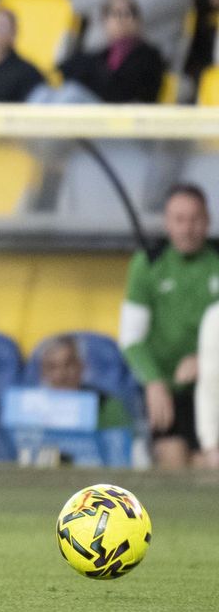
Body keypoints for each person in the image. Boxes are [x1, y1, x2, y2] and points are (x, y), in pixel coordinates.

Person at [121, 184, 219, 468]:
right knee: (173, 460)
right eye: (179, 219)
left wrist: (206, 361)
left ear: (208, 220)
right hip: (168, 390)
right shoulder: (148, 264)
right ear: (167, 222)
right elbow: (131, 339)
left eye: (195, 219)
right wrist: (153, 381)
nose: (187, 228)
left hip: (213, 387)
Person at [52, 0, 166, 104]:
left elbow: (125, 92)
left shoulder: (149, 56)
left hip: (126, 111)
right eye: (115, 14)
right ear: (104, 21)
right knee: (47, 93)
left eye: (129, 13)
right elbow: (63, 70)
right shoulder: (101, 55)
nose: (122, 20)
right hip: (97, 106)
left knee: (71, 94)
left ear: (138, 21)